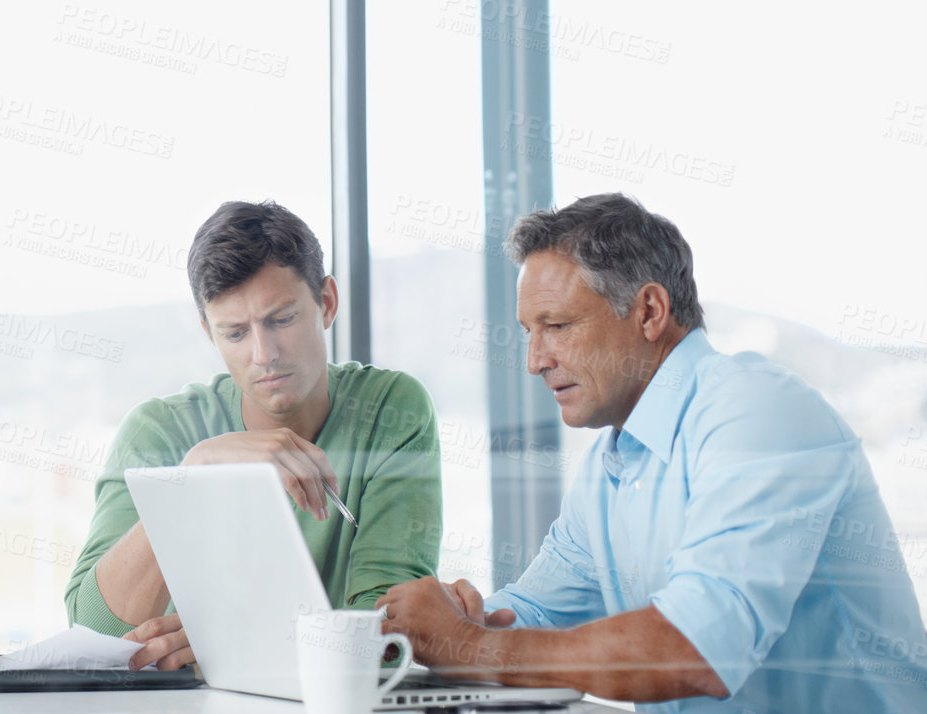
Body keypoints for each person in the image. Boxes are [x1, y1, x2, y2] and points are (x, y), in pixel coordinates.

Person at [378, 193, 927, 712]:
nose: (534, 360)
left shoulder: (756, 411)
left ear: (648, 311)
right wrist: (453, 618)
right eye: (528, 331)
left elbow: (699, 645)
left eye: (558, 326)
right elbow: (539, 612)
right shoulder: (609, 463)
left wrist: (471, 647)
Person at [65, 199, 442, 670]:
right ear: (208, 331)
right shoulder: (158, 432)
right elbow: (92, 634)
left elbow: (389, 631)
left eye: (281, 320)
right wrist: (190, 477)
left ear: (326, 303)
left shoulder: (391, 410)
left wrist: (230, 647)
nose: (264, 354)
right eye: (236, 333)